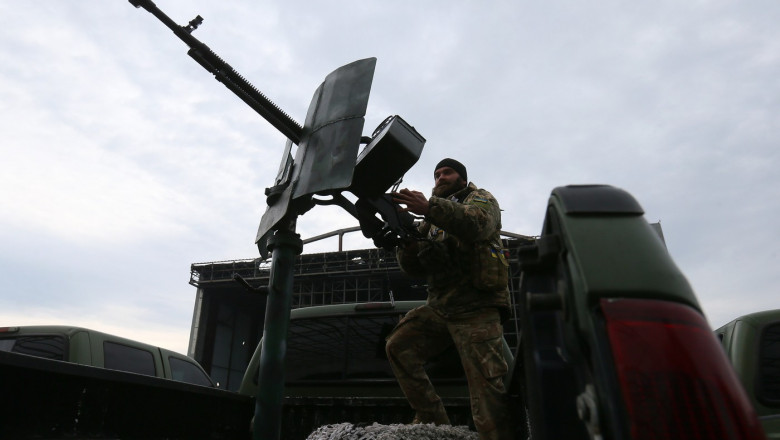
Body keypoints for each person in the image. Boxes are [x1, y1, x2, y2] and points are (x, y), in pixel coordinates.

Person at [385, 158, 513, 439]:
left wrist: (429, 207)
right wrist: (405, 241)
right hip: (441, 308)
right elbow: (413, 268)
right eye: (437, 174)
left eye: (448, 173)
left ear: (462, 179)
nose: (440, 178)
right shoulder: (430, 224)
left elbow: (477, 225)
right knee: (399, 346)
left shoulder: (480, 198)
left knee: (486, 393)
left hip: (476, 308)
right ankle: (434, 423)